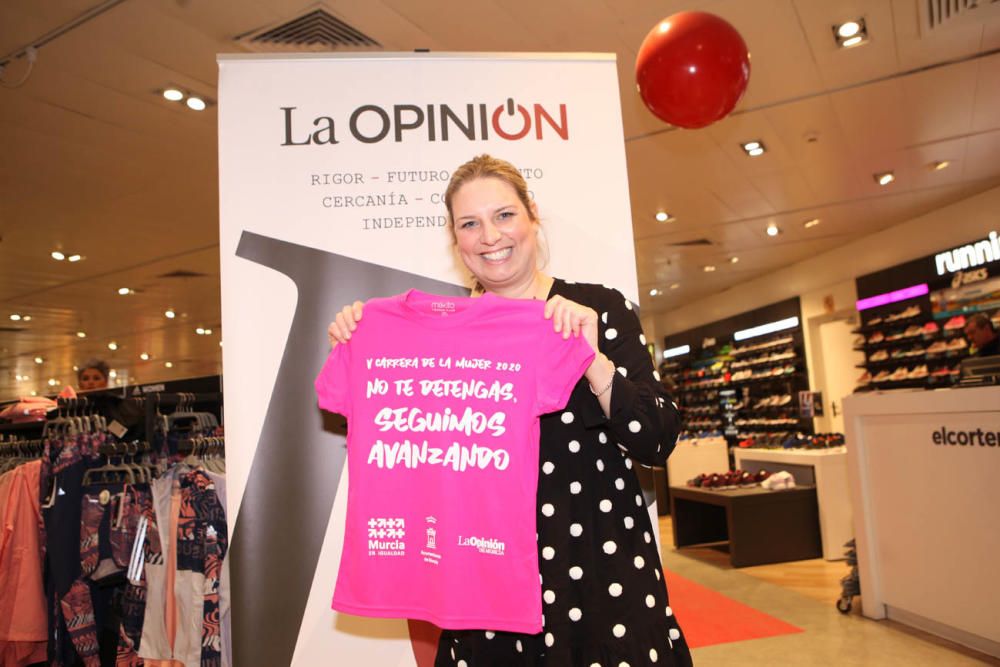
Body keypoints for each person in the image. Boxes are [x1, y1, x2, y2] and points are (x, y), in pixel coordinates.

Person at [327, 154, 691, 666]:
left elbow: (658, 439)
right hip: (486, 592)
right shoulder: (439, 341)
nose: (490, 236)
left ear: (532, 216)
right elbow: (406, 451)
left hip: (603, 579)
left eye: (503, 215)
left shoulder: (598, 309)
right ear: (456, 241)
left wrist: (594, 362)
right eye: (469, 224)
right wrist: (361, 344)